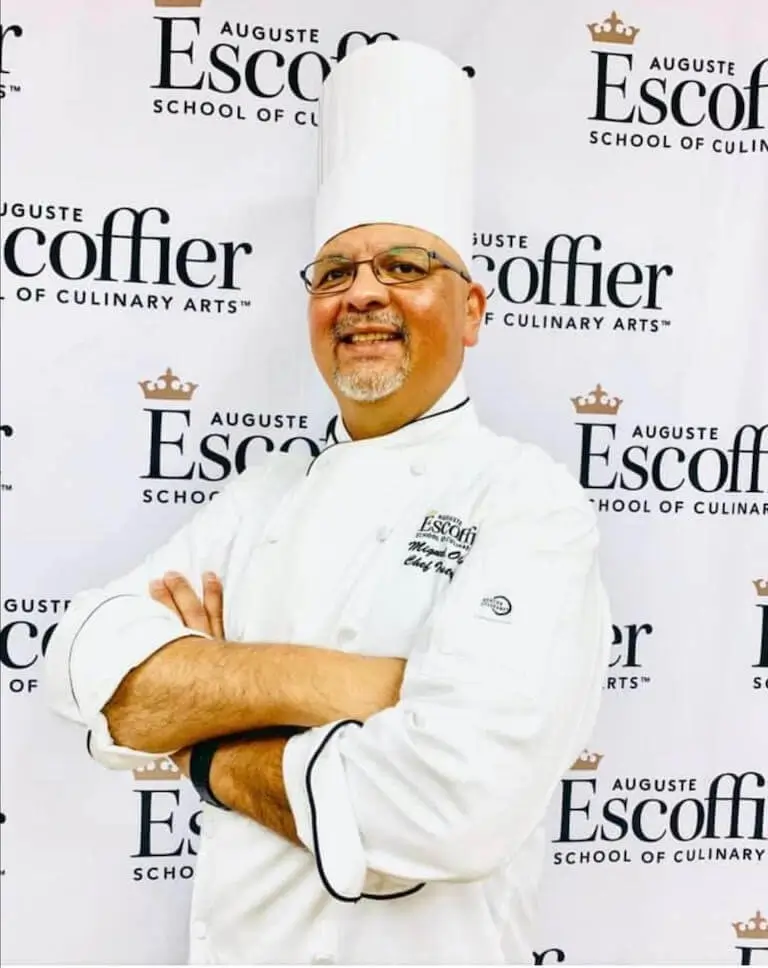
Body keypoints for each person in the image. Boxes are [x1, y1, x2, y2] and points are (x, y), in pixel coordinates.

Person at [44, 39, 611, 965]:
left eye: (404, 266)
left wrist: (207, 746)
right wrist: (345, 686)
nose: (363, 295)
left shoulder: (527, 502)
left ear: (471, 309)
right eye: (335, 272)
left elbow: (451, 804)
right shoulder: (260, 494)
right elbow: (82, 668)